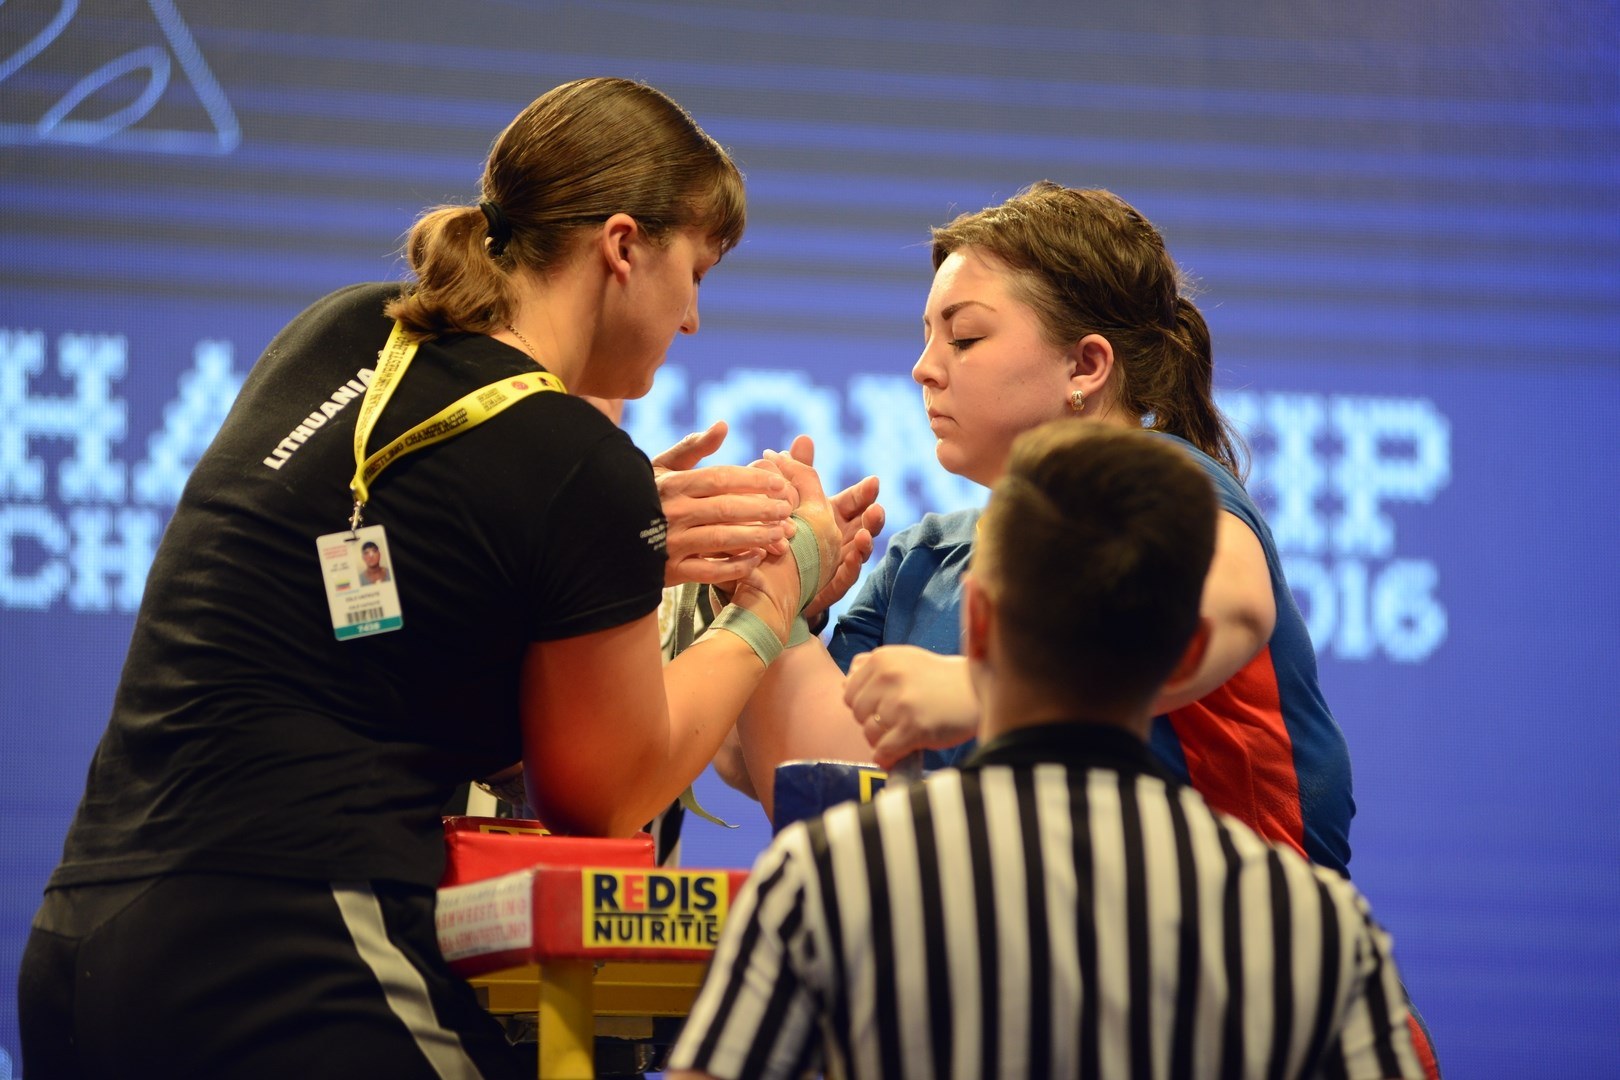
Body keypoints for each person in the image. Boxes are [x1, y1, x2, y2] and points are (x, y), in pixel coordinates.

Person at [18, 77, 842, 1079]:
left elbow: (407, 589)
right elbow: (607, 794)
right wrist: (773, 598)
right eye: (696, 274)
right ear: (623, 247)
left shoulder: (345, 329)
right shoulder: (573, 457)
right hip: (287, 956)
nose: (694, 320)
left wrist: (610, 551)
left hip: (84, 944)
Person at [668, 421, 1427, 1080]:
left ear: (978, 624)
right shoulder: (1310, 927)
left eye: (965, 335)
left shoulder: (826, 883)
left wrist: (769, 593)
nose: (928, 367)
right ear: (1190, 651)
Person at [731, 182, 1353, 879]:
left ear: (1085, 365)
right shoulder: (920, 563)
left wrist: (985, 692)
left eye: (965, 337)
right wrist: (779, 592)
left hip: (1228, 935)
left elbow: (1226, 611)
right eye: (926, 336)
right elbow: (818, 776)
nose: (923, 368)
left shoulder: (1171, 480)